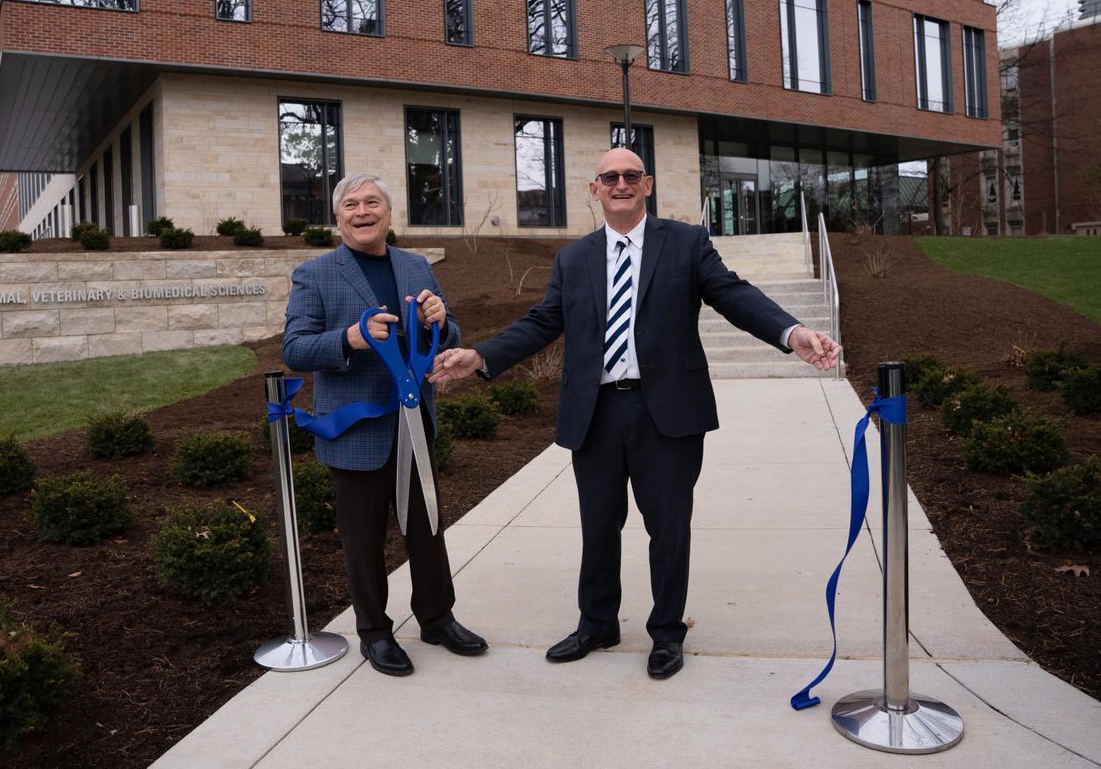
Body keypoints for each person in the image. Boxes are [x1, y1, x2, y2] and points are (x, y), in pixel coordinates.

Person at [431, 147, 839, 680]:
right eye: (609, 177)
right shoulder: (574, 259)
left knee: (668, 528)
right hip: (595, 412)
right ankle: (597, 623)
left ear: (647, 185)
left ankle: (667, 632)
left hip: (666, 412)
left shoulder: (686, 242)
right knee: (599, 526)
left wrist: (791, 332)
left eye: (630, 175)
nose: (620, 184)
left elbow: (734, 295)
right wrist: (481, 356)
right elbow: (542, 321)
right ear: (594, 189)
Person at [283, 173, 488, 676]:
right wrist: (350, 338)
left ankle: (437, 619)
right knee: (363, 540)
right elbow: (294, 348)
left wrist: (441, 322)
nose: (362, 211)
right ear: (338, 218)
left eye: (372, 202)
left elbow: (447, 334)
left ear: (389, 213)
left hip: (414, 424)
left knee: (428, 529)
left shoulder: (416, 266)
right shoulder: (314, 273)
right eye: (351, 204)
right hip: (356, 432)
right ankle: (374, 632)